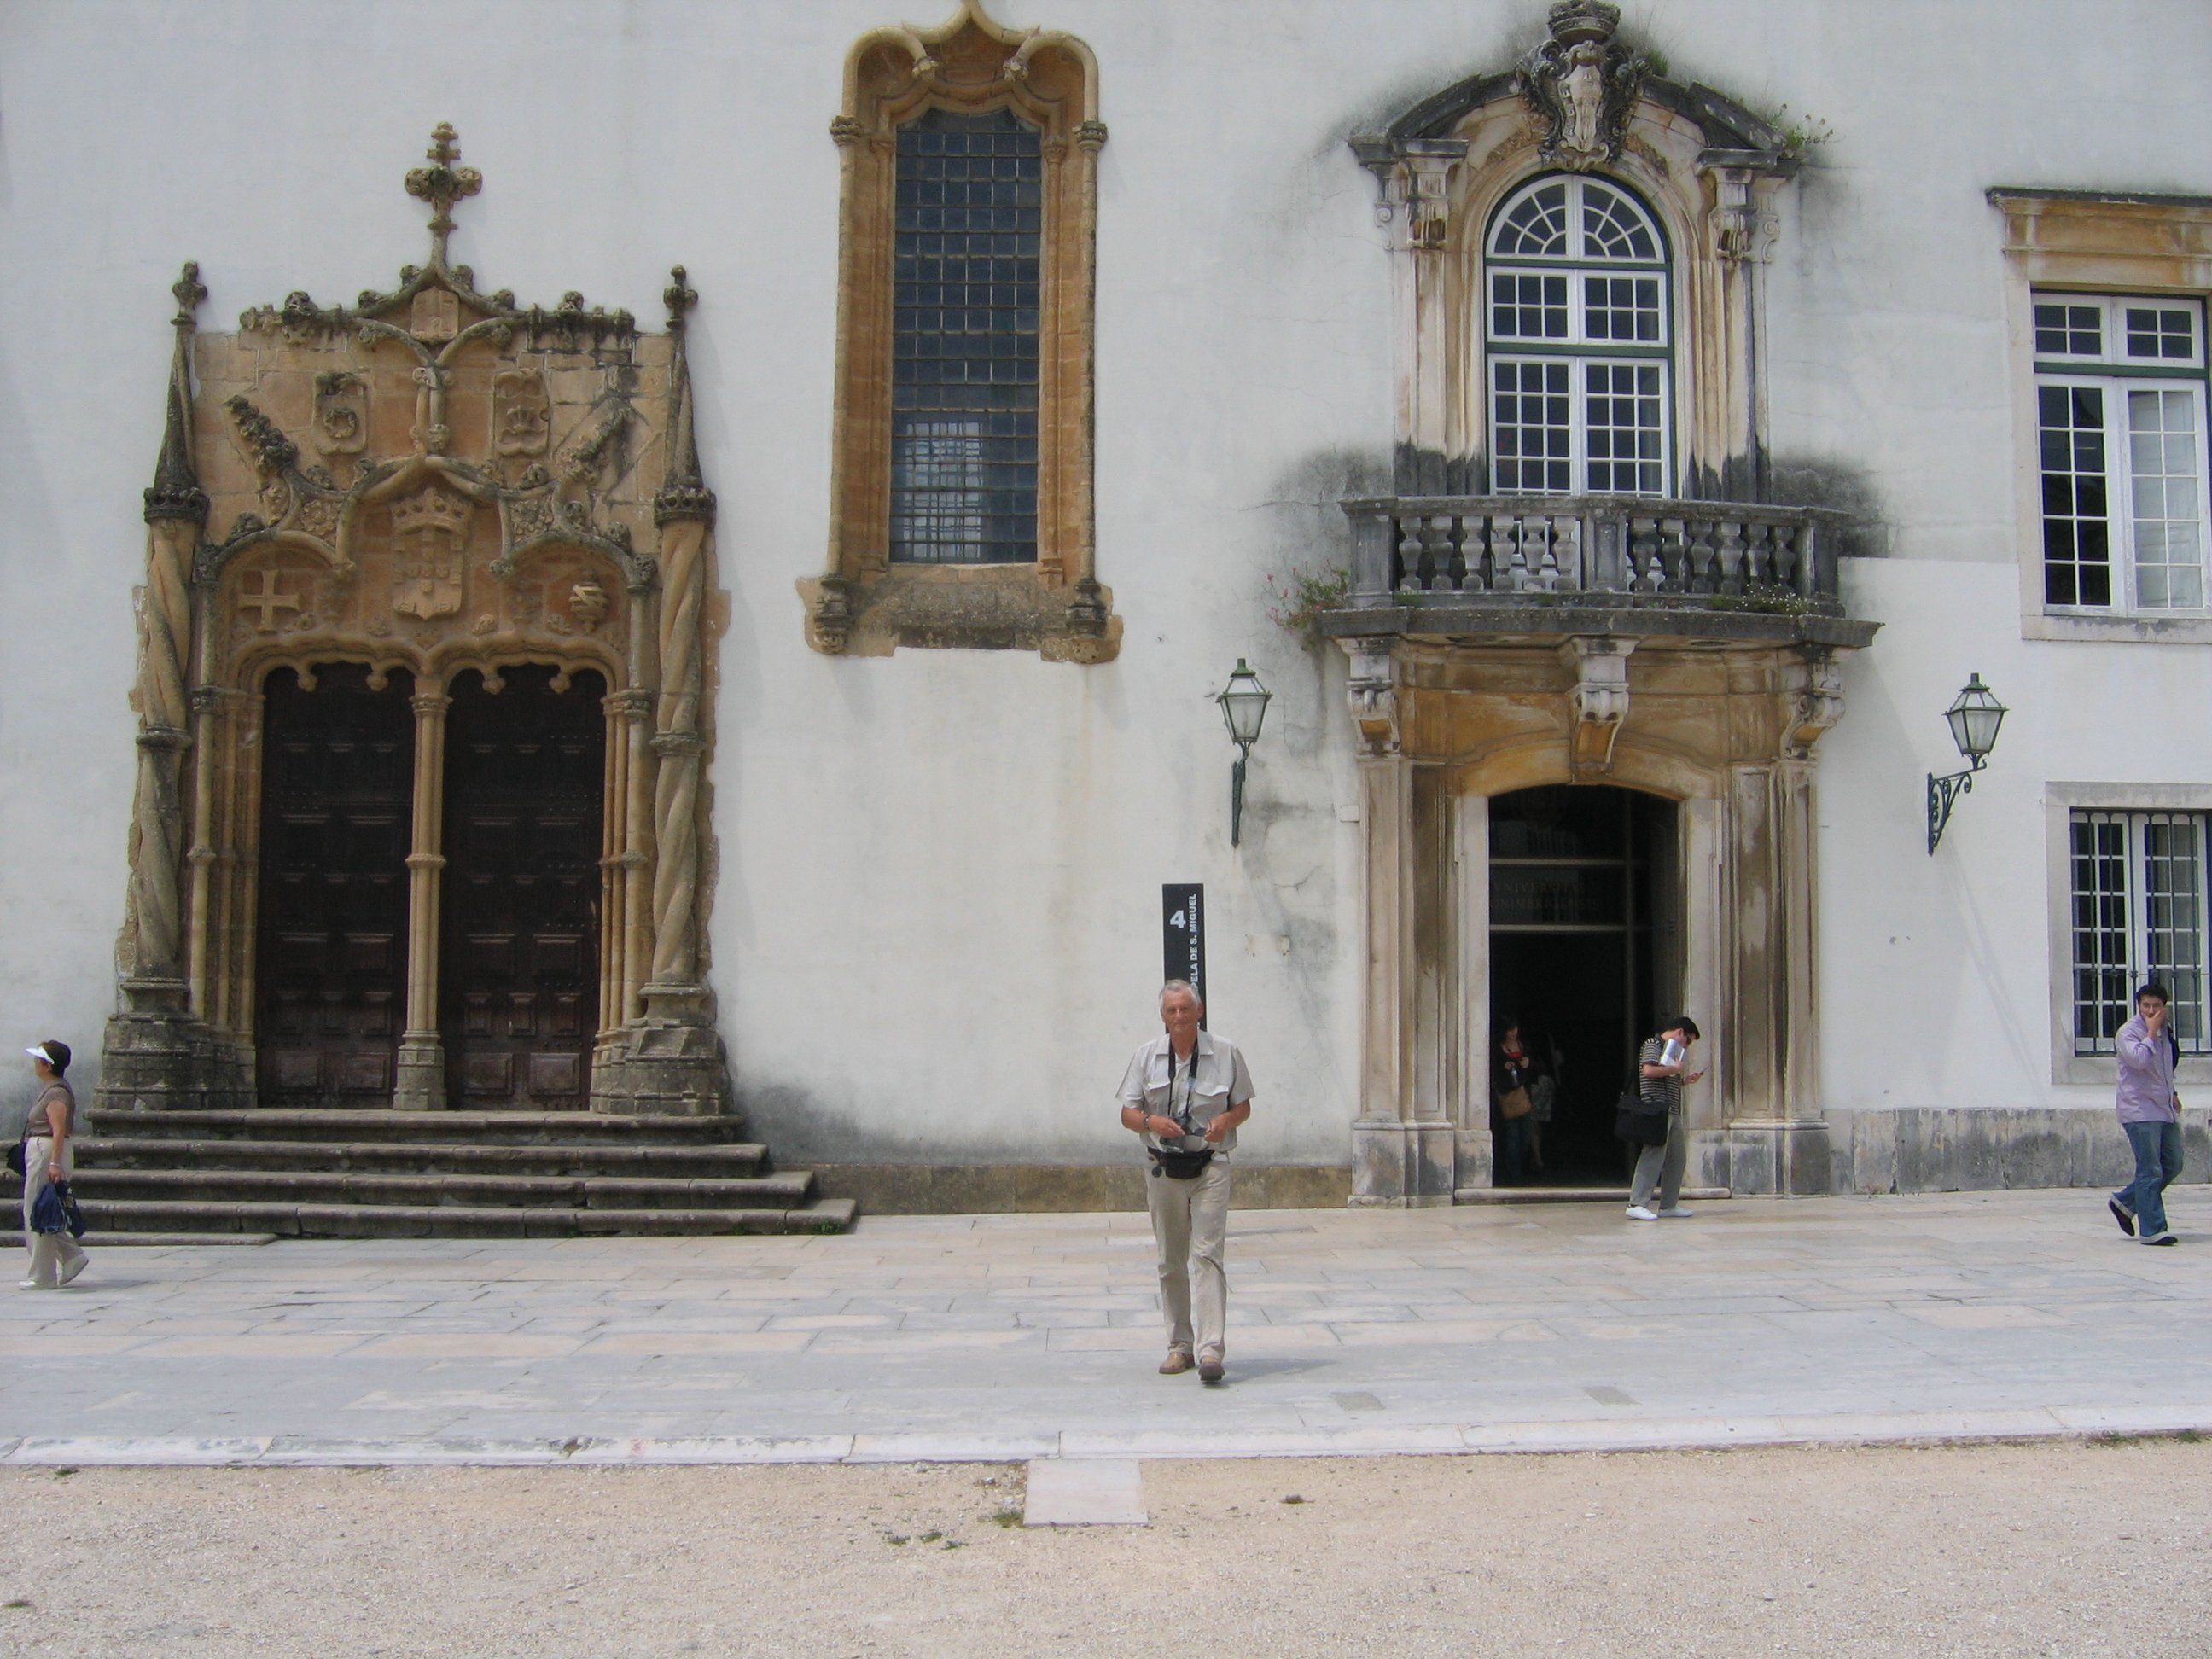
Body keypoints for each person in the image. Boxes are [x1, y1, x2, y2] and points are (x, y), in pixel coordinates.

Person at [1118, 981, 1254, 1384]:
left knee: (1208, 1254)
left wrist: (1225, 1121)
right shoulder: (1145, 1057)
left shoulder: (1227, 1053)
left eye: (1185, 1009)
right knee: (1170, 1259)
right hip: (1163, 1167)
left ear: (1200, 1011)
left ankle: (1211, 1349)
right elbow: (1127, 1113)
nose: (1179, 1017)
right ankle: (1179, 1345)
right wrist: (1150, 1122)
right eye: (1171, 1011)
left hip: (1211, 1166)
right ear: (1163, 1016)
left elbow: (1243, 1105)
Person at [2108, 983, 2185, 1246]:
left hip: (2163, 1107)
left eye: (2156, 1006)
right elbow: (2139, 1060)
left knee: (2173, 1164)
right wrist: (2150, 1032)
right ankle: (2153, 1229)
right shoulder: (2129, 1032)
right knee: (2150, 1169)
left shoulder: (2166, 1032)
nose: (2151, 1011)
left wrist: (2172, 1093)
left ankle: (2125, 1202)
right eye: (2145, 1005)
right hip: (2139, 1109)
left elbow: (2163, 1068)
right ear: (2138, 1006)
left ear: (2165, 1007)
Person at [19, 1039, 86, 1290]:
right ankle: (71, 1257)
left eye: (39, 1059)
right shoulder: (51, 1088)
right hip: (42, 1150)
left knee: (37, 1212)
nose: (35, 1063)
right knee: (44, 1210)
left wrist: (55, 1162)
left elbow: (58, 1130)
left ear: (47, 1065)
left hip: (47, 1151)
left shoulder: (57, 1092)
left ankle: (42, 1275)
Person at [1626, 1016, 1703, 1221]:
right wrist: (1675, 1070)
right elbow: (1648, 1071)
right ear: (1680, 1033)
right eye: (1688, 1040)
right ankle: (1637, 1202)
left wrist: (1684, 1080)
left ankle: (1669, 1204)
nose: (1687, 1045)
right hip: (1656, 1109)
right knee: (1653, 1155)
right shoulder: (1653, 1044)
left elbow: (1666, 1080)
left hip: (1672, 1110)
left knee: (1677, 1158)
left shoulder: (1670, 1050)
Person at [1493, 1020, 1540, 1185]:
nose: (1513, 1032)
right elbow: (1493, 1069)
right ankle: (1514, 1174)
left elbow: (1537, 1067)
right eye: (1510, 1029)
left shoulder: (1524, 1046)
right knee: (1512, 1137)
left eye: (1515, 1028)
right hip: (1508, 1097)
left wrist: (1529, 1064)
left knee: (1527, 1135)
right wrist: (1502, 1067)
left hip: (1525, 1095)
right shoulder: (1498, 1049)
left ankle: (1521, 1167)